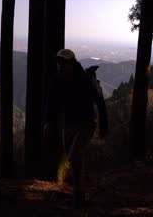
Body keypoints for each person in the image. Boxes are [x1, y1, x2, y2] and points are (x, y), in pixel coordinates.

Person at [44, 48, 108, 209]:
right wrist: (48, 122)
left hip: (87, 123)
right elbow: (51, 103)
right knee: (75, 158)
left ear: (72, 62)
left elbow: (100, 101)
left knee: (74, 155)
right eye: (59, 62)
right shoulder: (57, 80)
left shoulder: (85, 79)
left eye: (63, 62)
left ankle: (79, 197)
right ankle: (79, 192)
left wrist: (103, 125)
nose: (60, 65)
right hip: (69, 125)